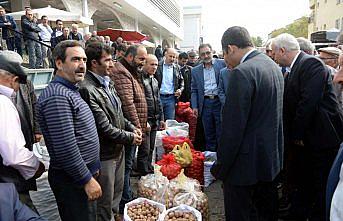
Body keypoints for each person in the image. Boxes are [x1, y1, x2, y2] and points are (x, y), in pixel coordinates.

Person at [211, 26, 284, 221]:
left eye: (225, 55)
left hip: (244, 168)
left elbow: (232, 129)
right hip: (268, 161)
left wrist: (220, 167)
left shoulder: (242, 73)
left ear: (231, 48)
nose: (225, 61)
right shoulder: (272, 65)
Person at [272, 33, 343, 221]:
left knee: (319, 184)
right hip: (308, 140)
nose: (273, 57)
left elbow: (307, 103)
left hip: (321, 139)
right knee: (305, 182)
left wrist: (296, 135)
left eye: (274, 53)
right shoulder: (294, 67)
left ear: (282, 50)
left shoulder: (311, 64)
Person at [36, 40, 102, 221]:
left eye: (84, 60)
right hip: (73, 181)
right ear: (59, 63)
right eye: (75, 60)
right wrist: (86, 179)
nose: (82, 65)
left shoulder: (70, 90)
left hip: (80, 177)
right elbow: (65, 147)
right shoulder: (58, 96)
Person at [78, 42, 142, 221]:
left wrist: (131, 127)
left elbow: (119, 114)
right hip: (104, 154)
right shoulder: (87, 89)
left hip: (118, 149)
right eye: (107, 60)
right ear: (94, 64)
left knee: (116, 194)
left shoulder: (108, 83)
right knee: (104, 201)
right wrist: (130, 137)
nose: (112, 64)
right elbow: (103, 127)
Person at [0, 60, 45, 207]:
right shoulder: (3, 103)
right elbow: (14, 155)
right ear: (14, 80)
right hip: (8, 183)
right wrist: (36, 166)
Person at [110, 45, 148, 211]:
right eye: (141, 59)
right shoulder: (121, 72)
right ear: (130, 57)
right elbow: (128, 103)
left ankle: (126, 196)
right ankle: (125, 199)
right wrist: (137, 128)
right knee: (125, 167)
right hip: (129, 129)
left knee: (127, 165)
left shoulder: (132, 71)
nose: (143, 62)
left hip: (133, 128)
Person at [191, 43, 226, 151]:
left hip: (219, 103)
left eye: (208, 53)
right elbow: (194, 90)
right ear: (200, 56)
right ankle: (210, 160)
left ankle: (222, 158)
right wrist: (195, 106)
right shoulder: (195, 70)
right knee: (209, 133)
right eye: (203, 54)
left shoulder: (223, 64)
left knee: (221, 132)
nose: (206, 56)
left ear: (212, 52)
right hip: (205, 104)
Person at [142, 54, 165, 172]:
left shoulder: (155, 80)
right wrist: (144, 120)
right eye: (152, 64)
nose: (155, 67)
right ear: (145, 64)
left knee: (151, 148)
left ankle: (149, 170)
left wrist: (161, 118)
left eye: (156, 64)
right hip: (146, 120)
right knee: (144, 150)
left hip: (155, 119)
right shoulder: (140, 79)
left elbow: (158, 99)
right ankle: (143, 174)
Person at [155, 47, 184, 120]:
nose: (172, 59)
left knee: (170, 122)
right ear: (165, 54)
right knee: (158, 122)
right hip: (159, 97)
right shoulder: (158, 65)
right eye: (170, 56)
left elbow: (182, 81)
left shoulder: (177, 67)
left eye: (174, 57)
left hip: (171, 99)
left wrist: (180, 90)